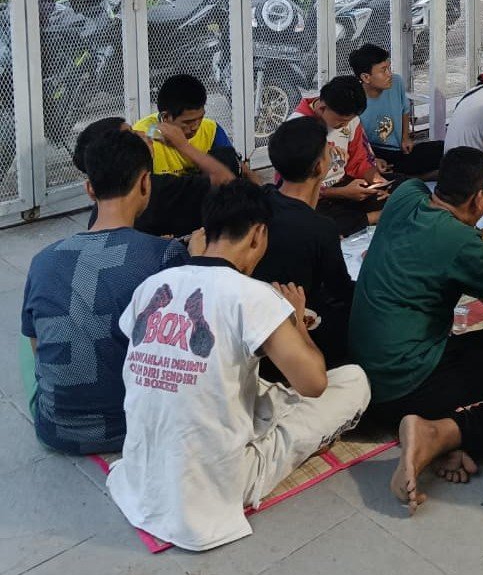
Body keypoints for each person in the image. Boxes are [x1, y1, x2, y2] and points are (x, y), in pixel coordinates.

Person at [106, 180, 371, 551]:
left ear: (206, 232)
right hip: (216, 487)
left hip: (141, 476)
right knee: (354, 381)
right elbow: (313, 384)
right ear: (259, 234)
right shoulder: (253, 296)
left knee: (223, 379)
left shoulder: (152, 286)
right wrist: (296, 321)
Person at [348, 147, 483, 514]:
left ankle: (438, 429)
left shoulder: (406, 195)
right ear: (479, 198)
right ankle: (440, 435)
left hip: (363, 377)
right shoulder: (460, 241)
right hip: (403, 387)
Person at [21, 128, 192, 453]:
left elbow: (36, 345)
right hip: (133, 429)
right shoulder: (165, 255)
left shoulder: (42, 260)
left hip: (55, 429)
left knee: (36, 317)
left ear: (89, 189)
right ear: (146, 183)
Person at [252, 117, 356, 372]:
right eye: (327, 150)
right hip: (295, 334)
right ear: (320, 167)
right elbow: (340, 291)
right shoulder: (320, 228)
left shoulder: (261, 199)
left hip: (253, 322)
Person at [75, 116, 234, 237]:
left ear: (91, 189)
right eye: (132, 134)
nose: (142, 133)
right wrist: (183, 145)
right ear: (144, 183)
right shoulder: (161, 191)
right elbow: (227, 183)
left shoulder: (97, 216)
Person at [289, 75, 392, 236]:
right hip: (312, 197)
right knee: (313, 223)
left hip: (345, 187)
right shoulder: (296, 129)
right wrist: (341, 192)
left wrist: (376, 183)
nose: (345, 125)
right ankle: (371, 218)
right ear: (322, 108)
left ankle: (365, 218)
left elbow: (360, 160)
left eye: (349, 121)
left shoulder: (350, 119)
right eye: (341, 122)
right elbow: (296, 188)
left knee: (400, 191)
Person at [349, 44, 443, 179]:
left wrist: (405, 137)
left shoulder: (397, 82)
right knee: (381, 172)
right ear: (366, 77)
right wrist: (372, 159)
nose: (389, 74)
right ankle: (415, 177)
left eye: (389, 68)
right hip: (373, 152)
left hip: (399, 150)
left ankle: (410, 176)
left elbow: (404, 109)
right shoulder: (355, 99)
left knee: (442, 148)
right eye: (383, 70)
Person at [132, 74, 241, 178]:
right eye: (188, 122)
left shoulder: (211, 130)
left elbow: (231, 171)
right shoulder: (143, 135)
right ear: (165, 117)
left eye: (201, 118)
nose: (195, 126)